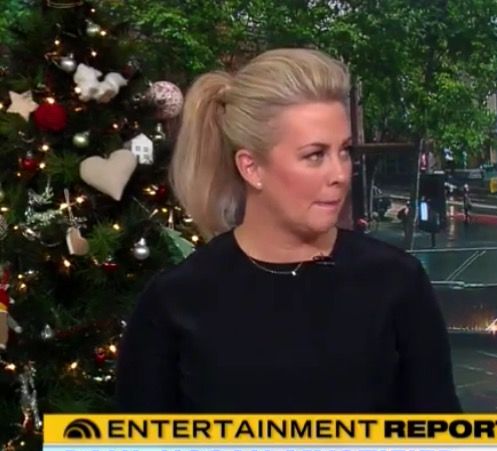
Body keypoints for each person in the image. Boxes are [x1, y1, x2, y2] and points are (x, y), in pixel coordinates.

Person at [116, 48, 461, 414]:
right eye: (315, 155)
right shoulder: (176, 301)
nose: (340, 174)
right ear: (251, 168)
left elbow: (441, 436)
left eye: (344, 151)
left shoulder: (397, 282)